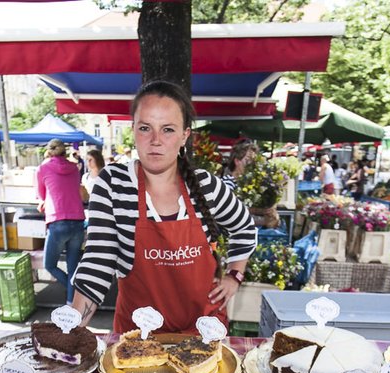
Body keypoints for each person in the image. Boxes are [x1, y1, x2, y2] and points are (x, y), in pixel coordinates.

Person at [70, 80, 256, 333]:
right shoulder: (114, 183)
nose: (155, 140)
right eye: (145, 128)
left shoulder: (206, 186)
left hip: (202, 332)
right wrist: (69, 332)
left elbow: (244, 227)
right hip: (137, 337)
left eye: (168, 129)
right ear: (133, 130)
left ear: (184, 136)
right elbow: (98, 260)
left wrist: (235, 276)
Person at [37, 138, 87, 305]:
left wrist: (43, 201)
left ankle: (76, 293)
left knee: (49, 265)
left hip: (57, 221)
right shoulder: (75, 167)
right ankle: (71, 301)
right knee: (73, 268)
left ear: (49, 152)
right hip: (78, 221)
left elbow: (41, 195)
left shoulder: (43, 168)